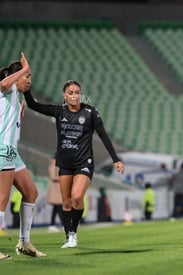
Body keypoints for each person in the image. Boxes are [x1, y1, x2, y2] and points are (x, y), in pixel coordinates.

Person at [23, 79, 125, 248]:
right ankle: (69, 235)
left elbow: (104, 136)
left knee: (77, 196)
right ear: (64, 95)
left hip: (84, 161)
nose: (74, 96)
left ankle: (73, 233)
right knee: (66, 202)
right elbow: (33, 105)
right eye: (70, 93)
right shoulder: (59, 111)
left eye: (77, 92)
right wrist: (26, 91)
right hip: (65, 162)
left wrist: (116, 159)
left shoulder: (90, 112)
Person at [1, 53, 46, 259]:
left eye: (29, 76)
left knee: (31, 192)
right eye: (27, 76)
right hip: (2, 150)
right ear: (16, 77)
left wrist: (18, 116)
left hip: (13, 152)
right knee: (1, 200)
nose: (29, 80)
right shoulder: (7, 90)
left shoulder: (16, 99)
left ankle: (24, 242)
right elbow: (2, 85)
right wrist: (23, 69)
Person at [47, 155, 63, 232]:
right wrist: (63, 177)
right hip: (55, 189)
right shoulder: (54, 165)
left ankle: (52, 224)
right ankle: (55, 224)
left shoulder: (56, 165)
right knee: (58, 207)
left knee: (57, 208)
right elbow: (53, 177)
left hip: (57, 189)